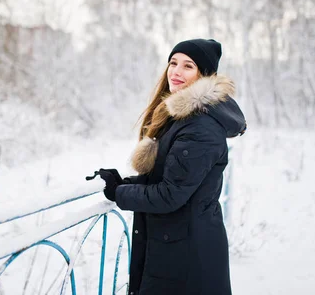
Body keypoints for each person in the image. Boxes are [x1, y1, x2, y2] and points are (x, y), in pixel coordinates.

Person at [96, 38, 246, 295]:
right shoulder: (182, 117)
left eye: (188, 66)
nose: (176, 72)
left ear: (204, 76)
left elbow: (169, 195)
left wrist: (117, 193)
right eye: (173, 62)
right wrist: (125, 183)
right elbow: (173, 177)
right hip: (177, 245)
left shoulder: (200, 126)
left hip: (185, 257)